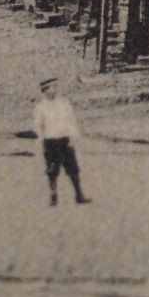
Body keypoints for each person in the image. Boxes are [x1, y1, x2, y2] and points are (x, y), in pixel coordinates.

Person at [33, 77, 89, 206]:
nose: (54, 90)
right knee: (52, 170)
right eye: (51, 87)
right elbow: (38, 125)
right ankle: (53, 196)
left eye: (55, 87)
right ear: (45, 90)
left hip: (64, 140)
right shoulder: (41, 107)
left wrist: (73, 137)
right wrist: (42, 139)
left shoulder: (64, 103)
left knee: (73, 169)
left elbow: (71, 121)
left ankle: (79, 195)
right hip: (51, 141)